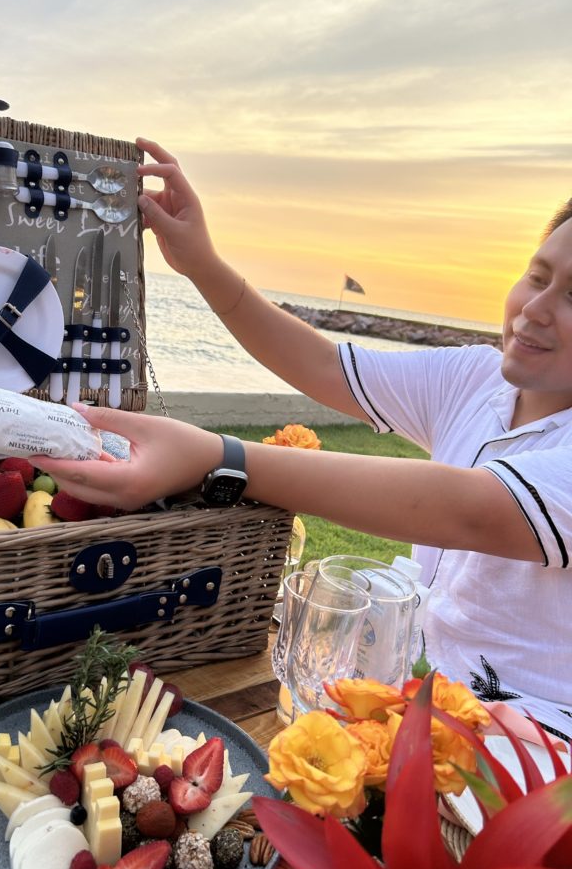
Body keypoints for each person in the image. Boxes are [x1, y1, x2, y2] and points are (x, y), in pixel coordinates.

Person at [37, 139, 572, 738]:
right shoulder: (475, 379)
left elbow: (469, 509)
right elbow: (322, 367)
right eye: (537, 276)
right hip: (431, 710)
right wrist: (201, 262)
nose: (537, 308)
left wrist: (220, 455)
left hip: (541, 747)